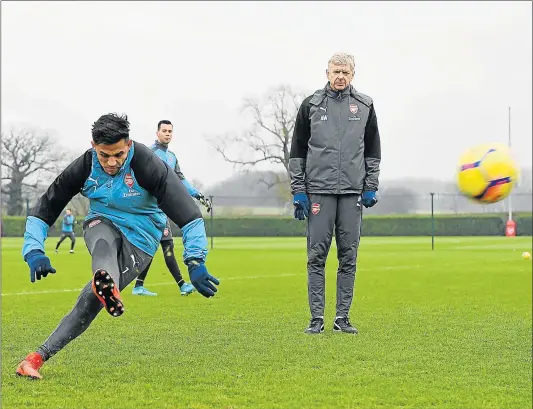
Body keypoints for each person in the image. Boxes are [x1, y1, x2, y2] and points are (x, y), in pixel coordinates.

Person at [16, 113, 219, 380]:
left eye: (119, 155)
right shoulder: (85, 165)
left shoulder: (148, 164)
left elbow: (189, 215)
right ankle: (106, 281)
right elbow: (46, 207)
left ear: (129, 144)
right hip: (102, 221)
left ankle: (34, 359)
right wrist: (33, 250)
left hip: (142, 240)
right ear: (93, 146)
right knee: (102, 241)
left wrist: (195, 261)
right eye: (104, 155)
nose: (112, 162)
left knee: (90, 302)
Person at [289, 52, 381, 335]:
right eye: (335, 71)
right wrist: (298, 191)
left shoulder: (365, 106)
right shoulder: (311, 106)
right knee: (316, 257)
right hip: (318, 192)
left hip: (352, 193)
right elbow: (297, 152)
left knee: (348, 257)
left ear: (353, 75)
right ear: (326, 73)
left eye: (345, 72)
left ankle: (342, 318)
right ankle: (316, 318)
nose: (340, 76)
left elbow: (373, 150)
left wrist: (371, 185)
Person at [132, 119, 212, 296]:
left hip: (163, 210)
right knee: (162, 247)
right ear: (157, 133)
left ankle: (140, 286)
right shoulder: (149, 154)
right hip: (149, 211)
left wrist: (196, 193)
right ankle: (180, 284)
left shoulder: (172, 157)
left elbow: (180, 180)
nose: (167, 134)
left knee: (161, 247)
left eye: (170, 131)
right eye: (164, 131)